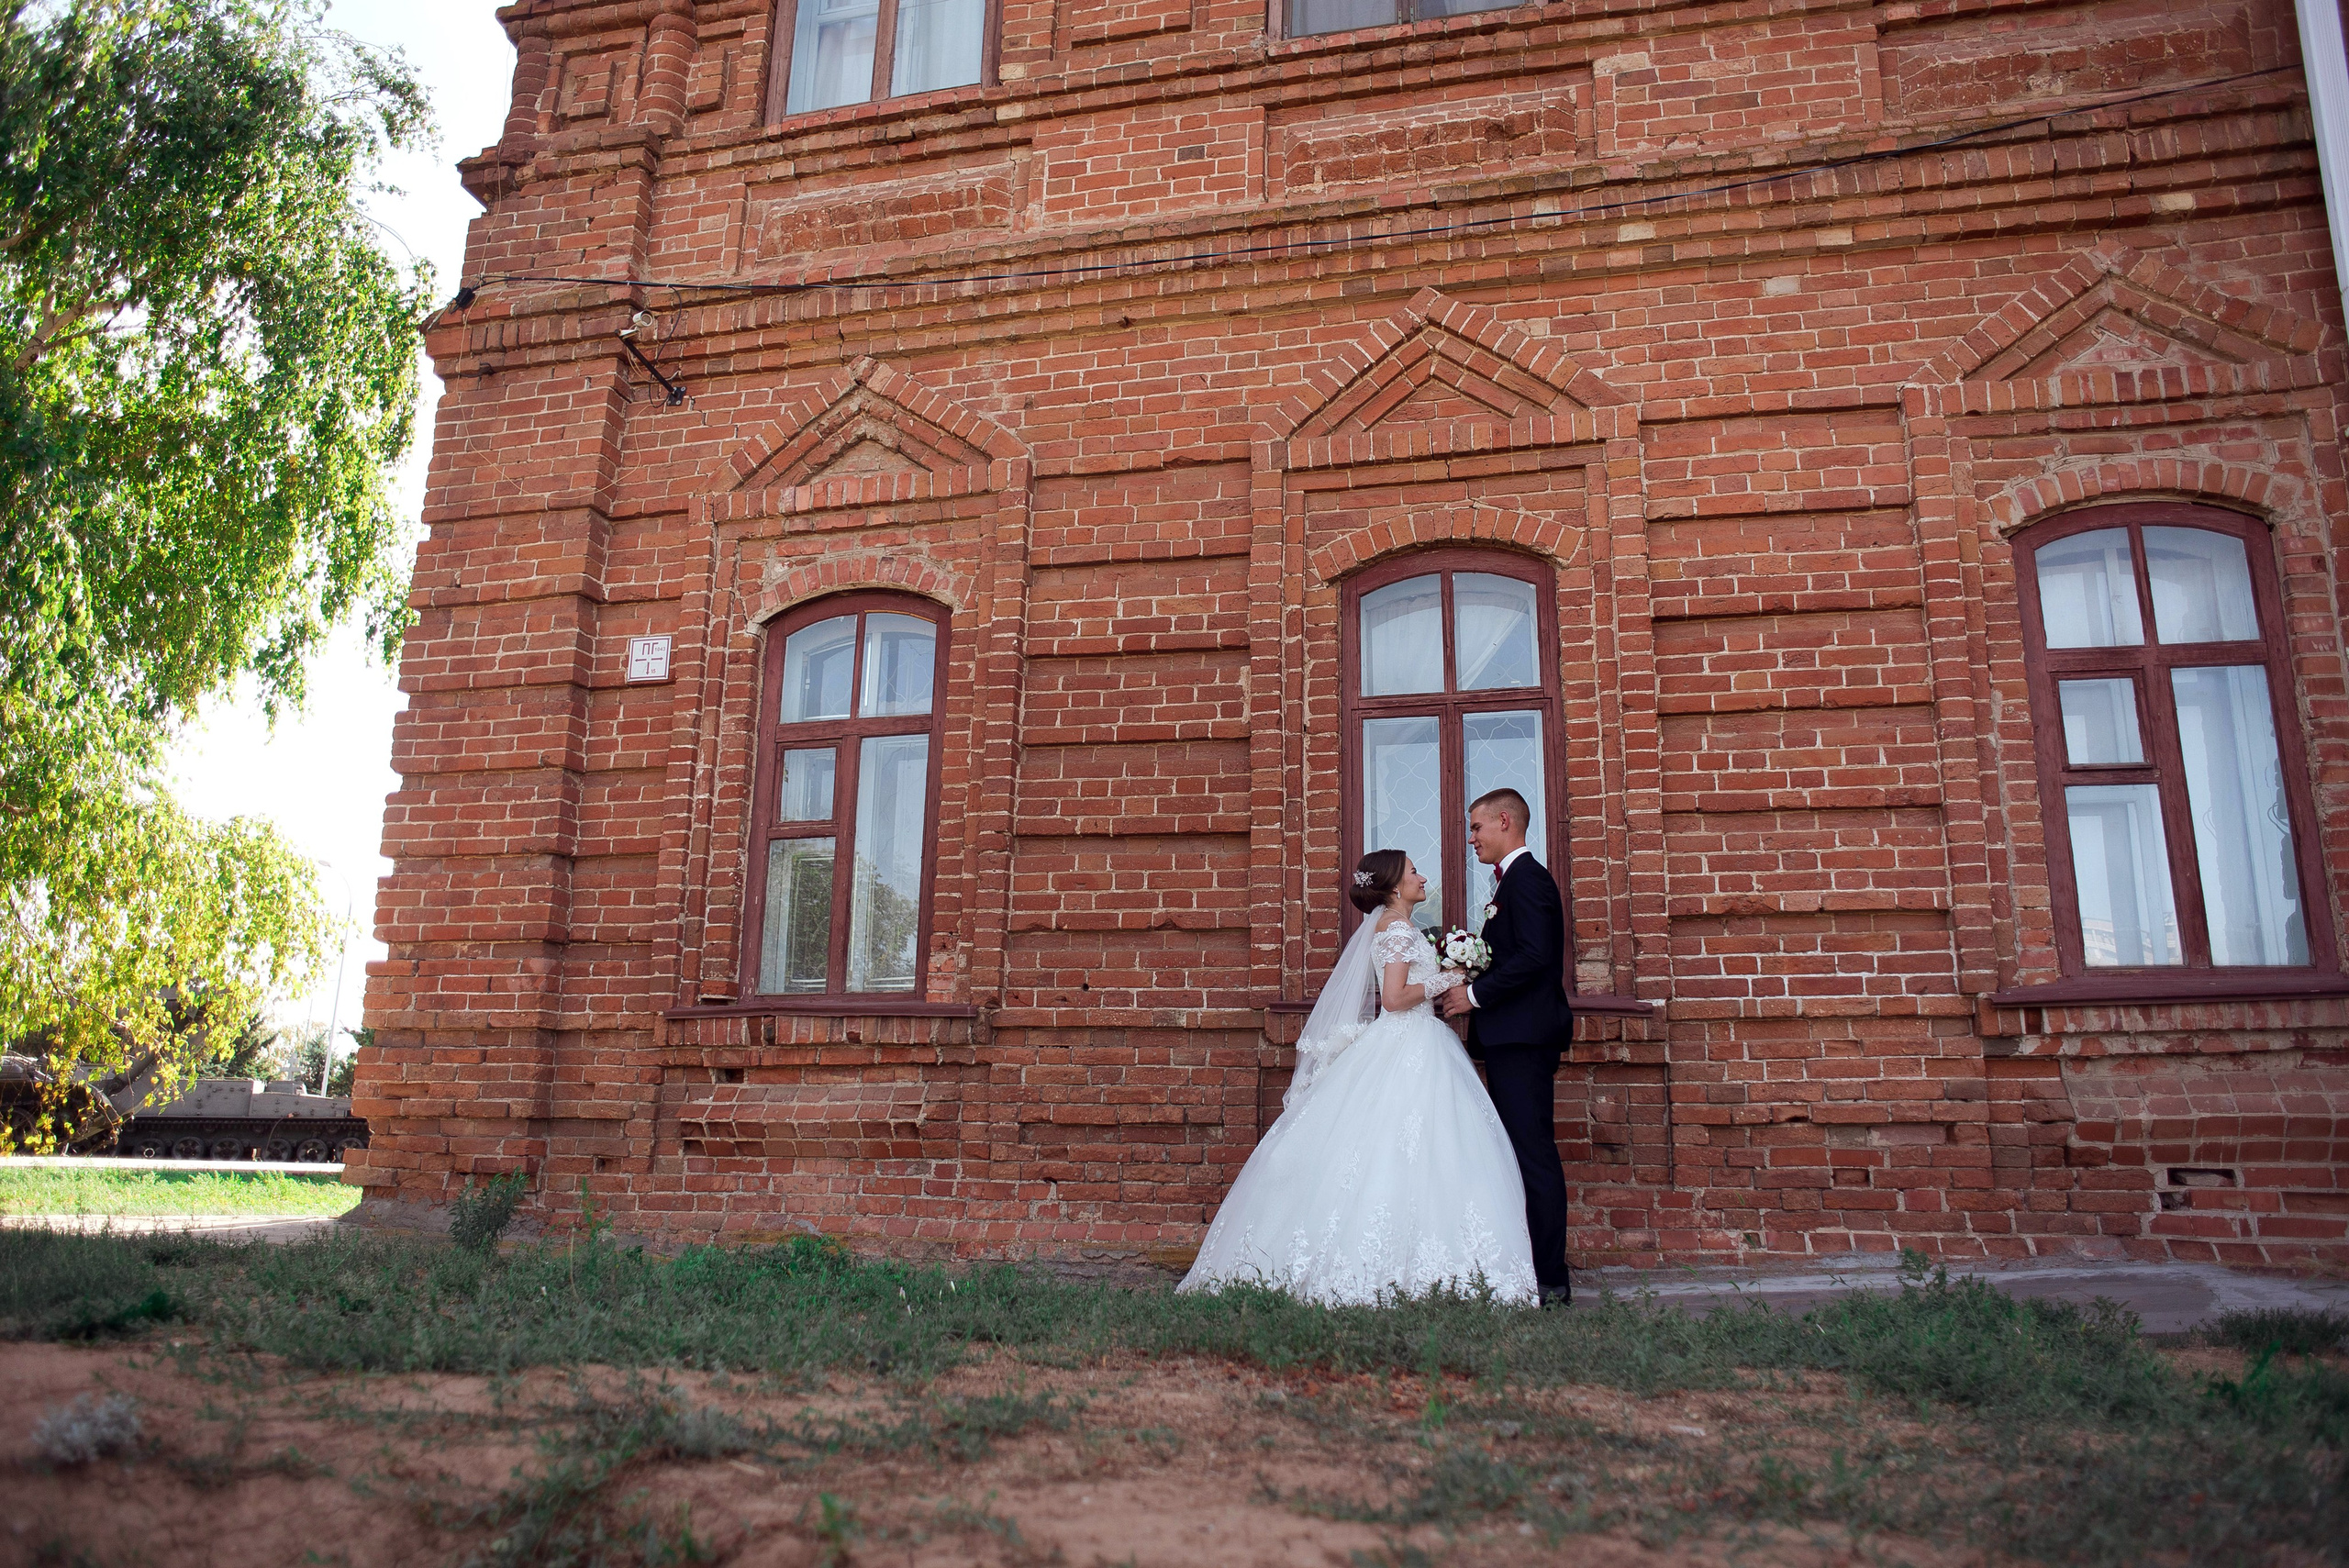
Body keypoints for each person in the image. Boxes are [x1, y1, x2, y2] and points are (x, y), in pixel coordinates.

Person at [1178, 850, 1537, 1306]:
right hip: (1409, 1040)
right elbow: (1395, 998)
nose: (1422, 877)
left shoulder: (1396, 926)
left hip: (1414, 1041)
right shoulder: (1398, 929)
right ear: (1394, 886)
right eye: (1413, 872)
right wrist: (1446, 979)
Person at [1438, 787, 1575, 1306]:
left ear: (1503, 821)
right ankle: (1530, 1271)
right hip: (1511, 1039)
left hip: (1524, 1040)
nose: (1471, 838)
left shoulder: (1529, 880)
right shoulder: (1510, 883)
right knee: (1519, 1154)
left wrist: (1473, 994)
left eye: (1476, 828)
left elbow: (1537, 957)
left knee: (1533, 1155)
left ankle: (1551, 1281)